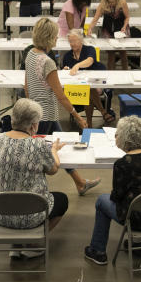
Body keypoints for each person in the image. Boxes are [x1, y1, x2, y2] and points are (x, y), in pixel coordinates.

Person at [24, 18, 100, 196]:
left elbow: (26, 85)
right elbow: (61, 95)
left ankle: (80, 182)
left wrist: (31, 106)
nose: (58, 38)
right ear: (49, 37)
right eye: (56, 35)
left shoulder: (30, 54)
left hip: (37, 112)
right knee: (40, 156)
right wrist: (77, 116)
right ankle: (32, 192)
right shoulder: (47, 61)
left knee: (60, 144)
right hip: (47, 114)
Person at [0, 98, 69, 258]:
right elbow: (53, 169)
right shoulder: (37, 146)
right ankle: (32, 244)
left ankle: (16, 245)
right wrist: (54, 150)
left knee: (12, 194)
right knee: (62, 200)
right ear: (33, 125)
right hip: (29, 216)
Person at [83, 115, 141, 265]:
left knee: (101, 201)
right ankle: (140, 246)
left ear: (125, 138)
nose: (115, 136)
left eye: (117, 133)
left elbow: (116, 197)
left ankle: (97, 251)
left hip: (138, 221)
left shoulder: (122, 164)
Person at [61, 29, 114, 127]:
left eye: (75, 41)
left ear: (81, 40)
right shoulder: (67, 56)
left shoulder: (89, 49)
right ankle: (103, 112)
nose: (72, 44)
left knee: (88, 88)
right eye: (70, 41)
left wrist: (77, 65)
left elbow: (90, 61)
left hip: (95, 83)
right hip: (76, 87)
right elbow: (64, 72)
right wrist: (65, 70)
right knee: (87, 88)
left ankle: (88, 123)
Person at [89, 0, 130, 70]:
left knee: (123, 53)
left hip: (121, 30)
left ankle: (126, 72)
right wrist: (90, 29)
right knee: (111, 54)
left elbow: (127, 17)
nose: (111, 3)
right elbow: (95, 19)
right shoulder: (102, 5)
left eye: (113, 2)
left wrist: (124, 26)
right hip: (108, 30)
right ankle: (110, 74)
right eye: (109, 1)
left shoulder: (122, 2)